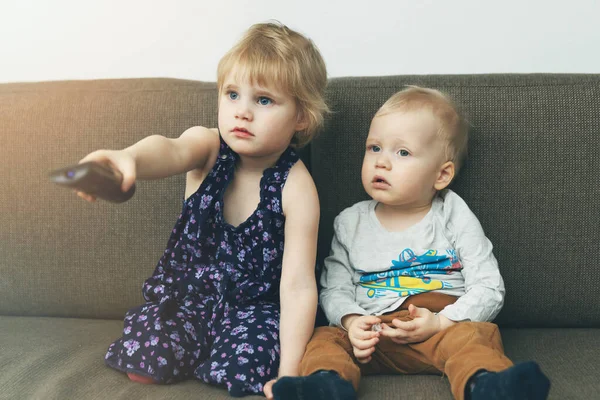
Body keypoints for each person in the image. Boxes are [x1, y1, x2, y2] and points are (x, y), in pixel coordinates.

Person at [76, 22, 328, 397]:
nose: (242, 112)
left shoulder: (297, 187)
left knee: (252, 365)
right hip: (188, 303)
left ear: (301, 117)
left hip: (253, 312)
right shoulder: (208, 148)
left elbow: (296, 287)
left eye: (263, 100)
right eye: (232, 94)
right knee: (147, 354)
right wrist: (127, 157)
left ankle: (224, 357)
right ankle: (190, 350)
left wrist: (289, 373)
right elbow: (171, 149)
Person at [268, 87, 551, 400]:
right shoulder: (350, 222)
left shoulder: (452, 213)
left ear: (441, 175)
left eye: (402, 153)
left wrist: (443, 322)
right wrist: (351, 321)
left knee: (475, 336)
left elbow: (489, 287)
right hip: (372, 334)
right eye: (374, 148)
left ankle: (487, 386)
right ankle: (326, 387)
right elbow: (335, 289)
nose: (382, 162)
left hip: (440, 327)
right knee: (323, 338)